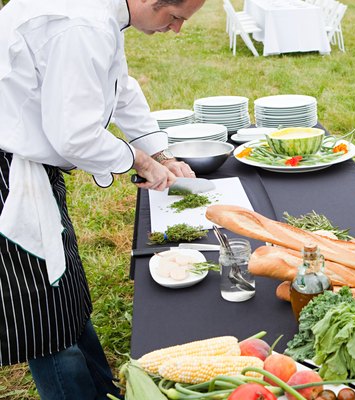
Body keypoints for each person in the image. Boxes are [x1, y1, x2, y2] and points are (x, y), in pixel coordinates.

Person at [0, 0, 206, 398]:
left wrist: (162, 155)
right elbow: (74, 135)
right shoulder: (83, 25)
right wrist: (141, 161)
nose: (176, 29)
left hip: (30, 164)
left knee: (66, 288)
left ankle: (102, 389)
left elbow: (120, 89)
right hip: (8, 174)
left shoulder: (104, 15)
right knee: (43, 312)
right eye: (176, 17)